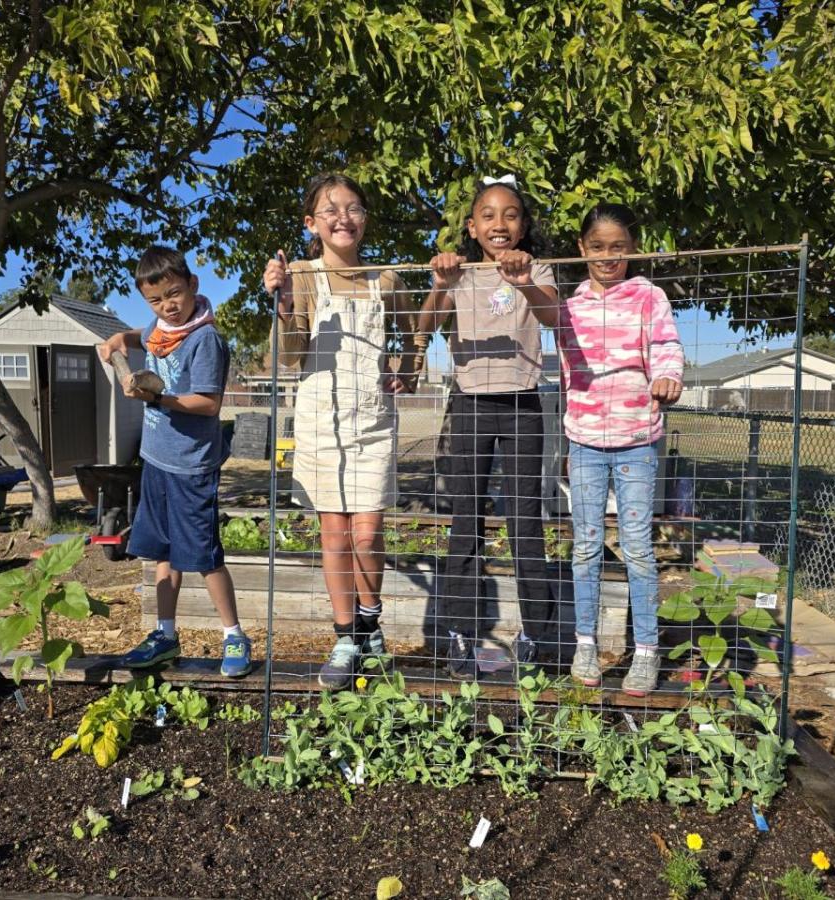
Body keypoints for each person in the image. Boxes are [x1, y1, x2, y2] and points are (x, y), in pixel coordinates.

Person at [262, 173, 428, 689]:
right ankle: (344, 636)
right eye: (329, 210)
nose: (343, 218)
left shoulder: (388, 280)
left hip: (373, 422)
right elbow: (288, 358)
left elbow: (414, 333)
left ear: (364, 219)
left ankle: (370, 622)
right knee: (334, 535)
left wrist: (409, 363)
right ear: (311, 223)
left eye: (353, 208)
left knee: (368, 532)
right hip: (319, 422)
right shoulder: (305, 276)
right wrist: (284, 304)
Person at [418, 175, 559, 680]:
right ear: (473, 227)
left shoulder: (536, 267)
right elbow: (425, 329)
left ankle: (535, 637)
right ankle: (459, 633)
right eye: (489, 215)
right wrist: (440, 284)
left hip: (523, 405)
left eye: (511, 214)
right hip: (471, 405)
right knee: (465, 524)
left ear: (523, 226)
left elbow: (554, 317)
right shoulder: (460, 274)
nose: (500, 223)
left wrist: (523, 281)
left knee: (525, 525)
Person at [97, 246, 252, 677]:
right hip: (156, 463)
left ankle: (234, 635)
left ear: (193, 287)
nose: (168, 305)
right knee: (162, 552)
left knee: (203, 555)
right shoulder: (159, 328)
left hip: (191, 468)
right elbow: (142, 336)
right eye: (156, 299)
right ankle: (166, 635)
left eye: (175, 293)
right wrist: (117, 341)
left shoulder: (205, 339)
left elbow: (207, 403)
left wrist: (158, 397)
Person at [556, 203, 683, 694]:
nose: (608, 256)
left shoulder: (649, 296)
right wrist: (572, 426)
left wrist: (668, 374)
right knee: (585, 548)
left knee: (637, 549)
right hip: (585, 441)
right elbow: (567, 369)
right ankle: (584, 642)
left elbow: (667, 344)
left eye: (619, 247)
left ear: (633, 249)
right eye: (598, 247)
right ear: (582, 249)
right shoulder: (571, 304)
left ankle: (646, 650)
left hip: (637, 441)